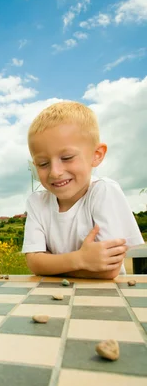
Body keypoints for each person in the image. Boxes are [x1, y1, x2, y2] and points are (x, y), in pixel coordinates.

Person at [22, 101, 144, 278]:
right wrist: (80, 260)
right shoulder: (36, 202)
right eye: (43, 163)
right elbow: (34, 263)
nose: (55, 172)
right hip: (53, 298)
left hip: (105, 299)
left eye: (67, 157)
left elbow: (109, 270)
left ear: (97, 155)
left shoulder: (104, 191)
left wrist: (52, 265)